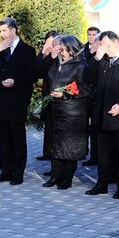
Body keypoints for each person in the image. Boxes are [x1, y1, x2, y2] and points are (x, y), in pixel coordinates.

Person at [83, 31, 119, 199]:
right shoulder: (103, 60)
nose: (104, 50)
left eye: (106, 46)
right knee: (103, 153)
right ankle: (102, 183)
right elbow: (87, 77)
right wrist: (95, 59)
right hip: (102, 114)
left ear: (116, 43)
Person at [0, 18, 37, 185]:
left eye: (4, 31)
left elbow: (32, 75)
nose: (2, 34)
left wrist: (16, 82)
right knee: (3, 138)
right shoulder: (0, 50)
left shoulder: (27, 50)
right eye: (0, 31)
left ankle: (18, 173)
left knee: (17, 139)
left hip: (17, 99)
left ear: (13, 31)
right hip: (1, 100)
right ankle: (6, 170)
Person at [43, 35, 91, 190]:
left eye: (64, 49)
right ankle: (55, 176)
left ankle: (66, 179)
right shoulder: (55, 63)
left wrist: (64, 94)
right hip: (55, 110)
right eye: (60, 49)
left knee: (69, 147)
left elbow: (85, 88)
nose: (61, 52)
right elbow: (41, 72)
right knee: (54, 145)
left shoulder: (80, 65)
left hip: (72, 112)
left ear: (72, 49)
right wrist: (50, 56)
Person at [34, 30, 59, 162]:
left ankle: (54, 153)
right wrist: (44, 53)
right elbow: (37, 71)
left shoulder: (59, 56)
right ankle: (47, 151)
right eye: (47, 42)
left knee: (54, 125)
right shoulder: (44, 54)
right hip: (46, 93)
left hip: (56, 93)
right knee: (48, 124)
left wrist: (51, 56)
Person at [83, 26, 101, 166]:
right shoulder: (83, 49)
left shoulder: (102, 50)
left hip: (96, 94)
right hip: (85, 93)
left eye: (94, 34)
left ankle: (96, 154)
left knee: (95, 127)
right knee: (84, 126)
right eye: (89, 34)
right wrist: (90, 51)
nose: (92, 37)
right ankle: (83, 150)